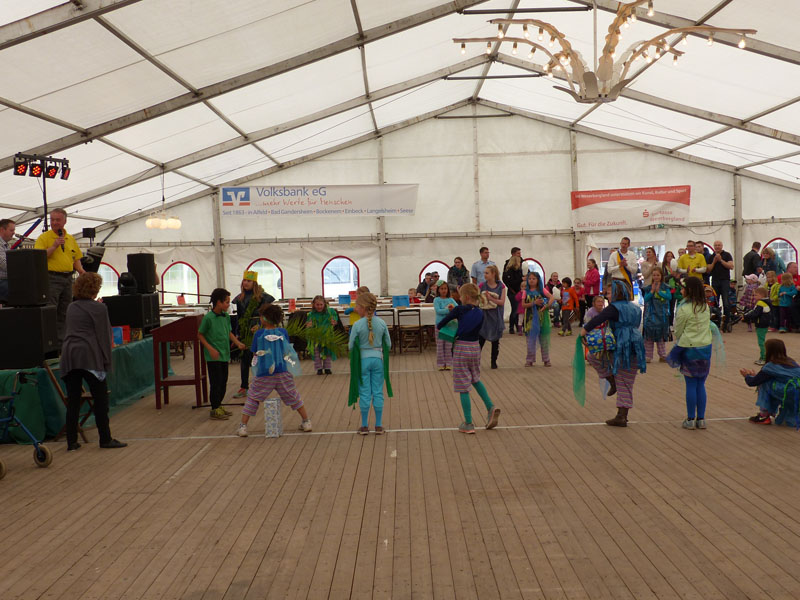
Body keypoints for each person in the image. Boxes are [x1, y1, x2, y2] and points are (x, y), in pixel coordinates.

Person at [59, 272, 127, 451]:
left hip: (70, 355)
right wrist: (107, 360)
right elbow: (104, 335)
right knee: (100, 398)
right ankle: (105, 438)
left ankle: (72, 441)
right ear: (95, 289)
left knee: (73, 400)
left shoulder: (71, 307)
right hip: (89, 355)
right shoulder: (100, 309)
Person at [236, 304, 311, 437]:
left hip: (264, 373)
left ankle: (243, 426)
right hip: (282, 371)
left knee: (253, 397)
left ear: (265, 318)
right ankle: (306, 421)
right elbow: (286, 349)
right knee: (293, 395)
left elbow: (255, 352)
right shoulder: (283, 332)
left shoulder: (258, 334)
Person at [436, 283, 500, 434]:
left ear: (465, 297)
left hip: (461, 349)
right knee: (475, 379)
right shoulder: (480, 312)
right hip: (475, 348)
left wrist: (452, 318)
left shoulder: (459, 309)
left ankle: (468, 423)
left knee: (463, 386)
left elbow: (440, 324)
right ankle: (490, 407)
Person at [580, 279, 645, 427]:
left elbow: (597, 320)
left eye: (609, 293)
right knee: (626, 378)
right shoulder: (635, 307)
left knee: (622, 378)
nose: (606, 295)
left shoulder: (614, 308)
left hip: (621, 344)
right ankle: (613, 384)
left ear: (616, 293)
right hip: (635, 343)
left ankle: (621, 414)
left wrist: (583, 332)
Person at [666, 277, 713, 430]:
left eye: (682, 288)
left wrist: (679, 339)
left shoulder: (684, 308)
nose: (681, 290)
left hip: (689, 348)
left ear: (689, 290)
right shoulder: (705, 307)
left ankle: (690, 419)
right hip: (705, 347)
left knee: (691, 384)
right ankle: (701, 419)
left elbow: (678, 329)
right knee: (701, 384)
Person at [34, 209, 85, 344]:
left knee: (65, 310)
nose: (54, 222)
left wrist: (81, 271)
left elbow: (76, 257)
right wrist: (54, 246)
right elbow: (39, 257)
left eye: (58, 220)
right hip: (52, 278)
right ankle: (49, 342)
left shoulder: (70, 238)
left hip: (68, 278)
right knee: (51, 310)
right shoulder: (44, 238)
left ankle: (62, 342)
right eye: (52, 220)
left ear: (65, 221)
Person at [199, 288, 246, 420]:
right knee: (216, 382)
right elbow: (200, 335)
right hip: (213, 357)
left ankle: (219, 405)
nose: (228, 304)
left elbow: (228, 332)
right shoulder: (208, 318)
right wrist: (210, 349)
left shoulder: (226, 316)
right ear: (218, 302)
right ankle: (214, 409)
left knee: (223, 381)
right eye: (226, 302)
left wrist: (238, 343)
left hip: (224, 354)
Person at [348, 292, 392, 434]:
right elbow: (388, 344)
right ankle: (378, 425)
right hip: (378, 359)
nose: (356, 309)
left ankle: (364, 425)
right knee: (378, 391)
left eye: (357, 306)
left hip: (362, 361)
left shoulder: (357, 325)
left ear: (363, 307)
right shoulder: (381, 323)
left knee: (365, 392)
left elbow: (350, 345)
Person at [232, 271, 274, 399]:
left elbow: (268, 314)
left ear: (254, 283)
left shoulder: (262, 297)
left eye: (249, 281)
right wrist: (238, 333)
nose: (246, 283)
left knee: (260, 357)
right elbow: (239, 317)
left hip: (259, 329)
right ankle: (244, 387)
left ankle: (262, 385)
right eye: (244, 280)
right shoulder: (240, 298)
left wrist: (260, 325)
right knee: (245, 359)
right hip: (245, 330)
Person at [741, 339, 800, 427]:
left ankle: (764, 416)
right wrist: (756, 376)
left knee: (765, 383)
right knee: (773, 382)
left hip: (789, 392)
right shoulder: (792, 362)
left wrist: (747, 376)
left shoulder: (770, 366)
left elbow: (753, 382)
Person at [522, 272, 555, 367]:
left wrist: (547, 305)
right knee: (530, 340)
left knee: (543, 339)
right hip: (530, 319)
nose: (531, 280)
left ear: (538, 280)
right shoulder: (525, 292)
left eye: (534, 279)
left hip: (542, 318)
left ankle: (546, 359)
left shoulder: (542, 290)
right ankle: (530, 360)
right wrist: (534, 303)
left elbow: (552, 297)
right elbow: (523, 305)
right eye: (530, 279)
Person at [478, 265, 506, 369]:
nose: (485, 275)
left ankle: (493, 361)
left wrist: (490, 299)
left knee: (495, 341)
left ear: (493, 274)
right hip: (484, 316)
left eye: (487, 273)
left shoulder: (501, 287)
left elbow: (502, 302)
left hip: (496, 316)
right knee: (480, 339)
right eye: (484, 273)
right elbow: (478, 300)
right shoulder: (482, 285)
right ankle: (476, 361)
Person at [642, 269, 671, 362]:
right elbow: (646, 299)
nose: (656, 277)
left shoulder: (665, 287)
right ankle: (648, 356)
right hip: (651, 315)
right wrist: (652, 291)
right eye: (654, 275)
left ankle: (662, 355)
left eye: (658, 275)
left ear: (661, 276)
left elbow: (669, 297)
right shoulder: (648, 287)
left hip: (662, 315)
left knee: (661, 336)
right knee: (649, 337)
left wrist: (659, 292)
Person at [306, 295, 339, 375]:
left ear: (325, 304)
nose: (319, 306)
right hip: (315, 336)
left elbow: (335, 320)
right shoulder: (311, 314)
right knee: (316, 353)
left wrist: (334, 321)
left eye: (321, 304)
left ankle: (327, 368)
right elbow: (308, 324)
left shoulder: (330, 312)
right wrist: (309, 325)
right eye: (317, 305)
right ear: (314, 304)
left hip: (327, 335)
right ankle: (319, 369)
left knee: (327, 352)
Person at [708, 240, 734, 331]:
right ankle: (717, 322)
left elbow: (731, 266)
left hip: (725, 281)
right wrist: (714, 261)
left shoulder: (727, 255)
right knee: (715, 302)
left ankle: (727, 322)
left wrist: (721, 260)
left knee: (726, 301)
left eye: (719, 245)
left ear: (722, 246)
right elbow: (708, 269)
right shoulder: (711, 256)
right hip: (715, 281)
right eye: (716, 245)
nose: (717, 247)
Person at [743, 287, 772, 365]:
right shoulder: (767, 302)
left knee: (761, 342)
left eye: (756, 295)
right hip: (765, 324)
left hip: (761, 324)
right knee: (762, 340)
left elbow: (755, 313)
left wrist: (746, 316)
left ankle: (764, 358)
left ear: (761, 295)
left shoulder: (760, 303)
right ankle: (762, 357)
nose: (754, 297)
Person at [433, 280, 457, 371]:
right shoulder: (436, 300)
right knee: (440, 345)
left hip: (450, 325)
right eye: (442, 289)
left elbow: (456, 308)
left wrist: (453, 309)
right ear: (438, 290)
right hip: (440, 325)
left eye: (445, 288)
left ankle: (449, 363)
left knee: (448, 345)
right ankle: (440, 363)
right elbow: (438, 311)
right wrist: (448, 310)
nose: (444, 290)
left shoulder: (451, 300)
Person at [502, 254, 523, 334]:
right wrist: (521, 279)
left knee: (517, 310)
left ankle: (517, 326)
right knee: (515, 310)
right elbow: (511, 282)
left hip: (517, 292)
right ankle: (511, 327)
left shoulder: (519, 271)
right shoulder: (510, 271)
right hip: (513, 292)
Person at [0, 218, 15, 303]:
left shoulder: (5, 245)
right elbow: (5, 265)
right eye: (11, 230)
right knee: (22, 290)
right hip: (2, 281)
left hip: (5, 280)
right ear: (2, 230)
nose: (14, 233)